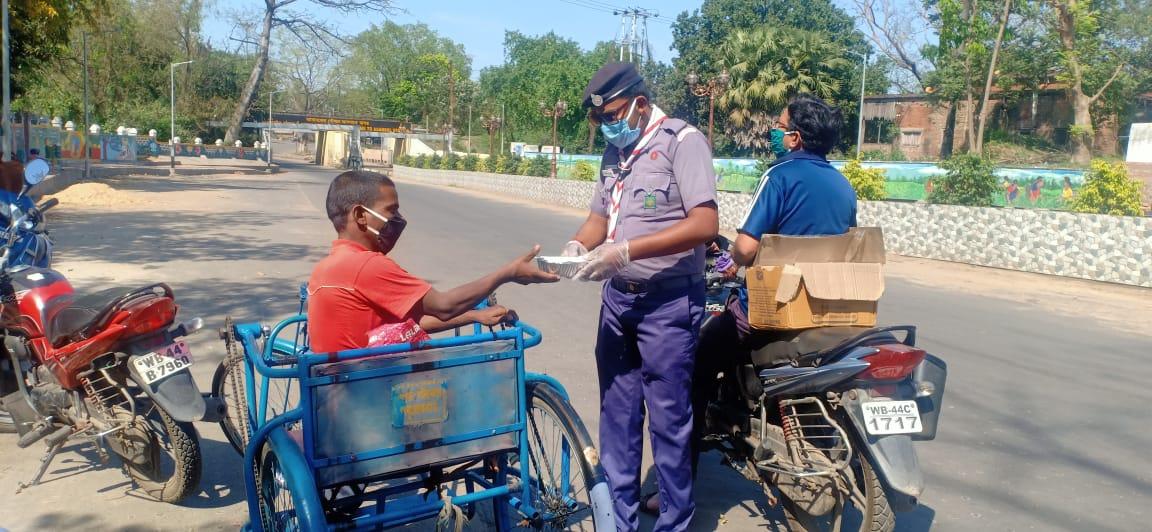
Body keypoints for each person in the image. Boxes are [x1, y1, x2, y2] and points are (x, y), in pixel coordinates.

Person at [646, 94, 860, 513]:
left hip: (773, 309)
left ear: (795, 138)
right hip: (828, 310)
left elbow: (744, 247)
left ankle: (676, 491)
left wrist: (730, 263)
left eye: (781, 125)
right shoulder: (842, 183)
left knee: (698, 363)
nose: (774, 132)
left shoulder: (780, 175)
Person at [562, 62, 719, 532]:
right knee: (617, 416)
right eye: (602, 119)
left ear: (640, 105)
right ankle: (619, 522)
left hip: (668, 304)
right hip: (618, 302)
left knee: (669, 424)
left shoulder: (682, 142)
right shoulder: (616, 151)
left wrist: (628, 250)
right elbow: (599, 218)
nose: (609, 125)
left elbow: (704, 224)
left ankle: (674, 523)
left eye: (613, 114)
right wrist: (577, 246)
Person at [307, 170, 559, 353]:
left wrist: (474, 316)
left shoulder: (329, 266)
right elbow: (443, 306)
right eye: (391, 210)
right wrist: (508, 272)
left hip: (339, 393)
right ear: (361, 215)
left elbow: (408, 322)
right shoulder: (366, 267)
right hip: (368, 399)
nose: (398, 219)